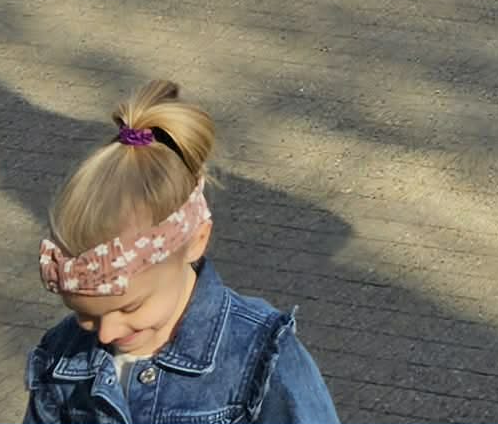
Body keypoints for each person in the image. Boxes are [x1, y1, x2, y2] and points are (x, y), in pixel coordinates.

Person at [21, 81, 340, 424]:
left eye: (130, 306)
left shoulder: (259, 357)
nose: (105, 333)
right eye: (86, 315)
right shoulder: (63, 355)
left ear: (195, 240)